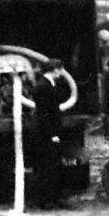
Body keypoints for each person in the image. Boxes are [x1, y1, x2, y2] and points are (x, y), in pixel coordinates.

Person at [29, 60, 72, 204]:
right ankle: (45, 200)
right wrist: (52, 134)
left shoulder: (48, 84)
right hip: (45, 134)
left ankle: (53, 198)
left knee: (53, 166)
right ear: (54, 70)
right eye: (60, 70)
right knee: (46, 167)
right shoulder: (43, 86)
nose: (61, 73)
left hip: (50, 132)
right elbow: (44, 114)